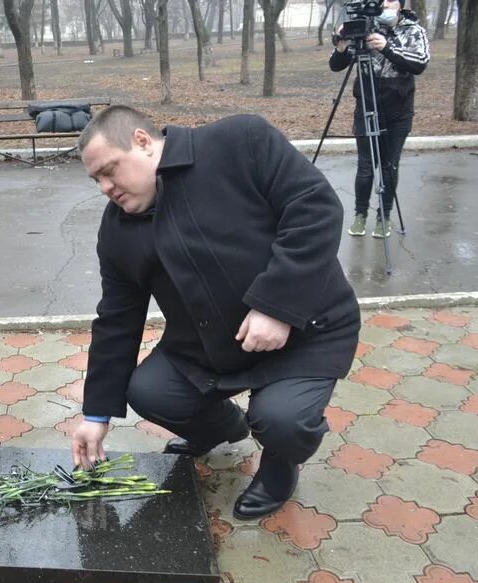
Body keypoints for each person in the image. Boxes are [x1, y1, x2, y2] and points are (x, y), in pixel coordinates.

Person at [71, 106, 361, 520]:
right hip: (208, 345)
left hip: (304, 329)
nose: (104, 188)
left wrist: (276, 306)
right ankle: (224, 429)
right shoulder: (117, 229)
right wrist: (95, 414)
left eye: (110, 171)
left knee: (281, 420)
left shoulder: (240, 142)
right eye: (96, 179)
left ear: (142, 141)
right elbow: (117, 318)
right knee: (148, 392)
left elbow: (314, 209)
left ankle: (280, 464)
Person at [329, 0, 430, 238]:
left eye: (391, 0)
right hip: (367, 104)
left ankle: (383, 217)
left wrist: (387, 47)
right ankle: (360, 215)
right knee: (365, 166)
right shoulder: (363, 27)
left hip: (398, 109)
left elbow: (419, 63)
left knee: (389, 165)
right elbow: (336, 65)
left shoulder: (414, 30)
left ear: (400, 4)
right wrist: (342, 47)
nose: (385, 3)